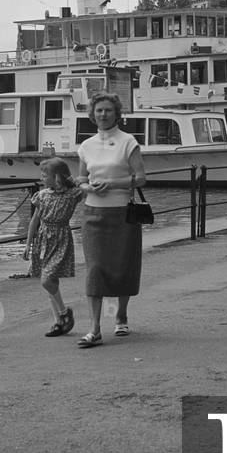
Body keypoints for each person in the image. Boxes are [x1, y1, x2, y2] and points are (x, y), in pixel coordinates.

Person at [75, 91, 148, 348]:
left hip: (123, 213)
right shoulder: (86, 146)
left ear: (117, 114)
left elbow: (141, 178)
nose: (103, 114)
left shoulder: (128, 142)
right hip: (93, 213)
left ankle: (121, 315)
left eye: (108, 110)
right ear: (92, 114)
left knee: (123, 266)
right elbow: (80, 179)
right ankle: (94, 329)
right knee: (95, 269)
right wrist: (88, 188)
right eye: (99, 110)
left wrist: (113, 183)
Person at [25, 158, 84, 337]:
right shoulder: (42, 195)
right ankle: (58, 322)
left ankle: (64, 313)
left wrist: (70, 180)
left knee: (47, 279)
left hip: (61, 237)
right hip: (43, 238)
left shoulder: (72, 194)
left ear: (57, 176)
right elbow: (34, 220)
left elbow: (83, 188)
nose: (42, 178)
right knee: (50, 282)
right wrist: (28, 244)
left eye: (45, 175)